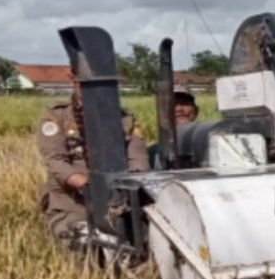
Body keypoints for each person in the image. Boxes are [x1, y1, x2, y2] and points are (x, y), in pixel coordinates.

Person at [36, 82, 149, 246]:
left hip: (120, 202)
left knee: (145, 241)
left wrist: (128, 188)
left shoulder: (125, 118)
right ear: (73, 80)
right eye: (85, 83)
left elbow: (138, 160)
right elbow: (55, 160)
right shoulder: (57, 115)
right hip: (72, 203)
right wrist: (87, 186)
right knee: (84, 244)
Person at [148, 85, 199, 168]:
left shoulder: (213, 142)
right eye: (171, 104)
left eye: (184, 103)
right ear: (161, 113)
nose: (179, 109)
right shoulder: (153, 152)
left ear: (196, 110)